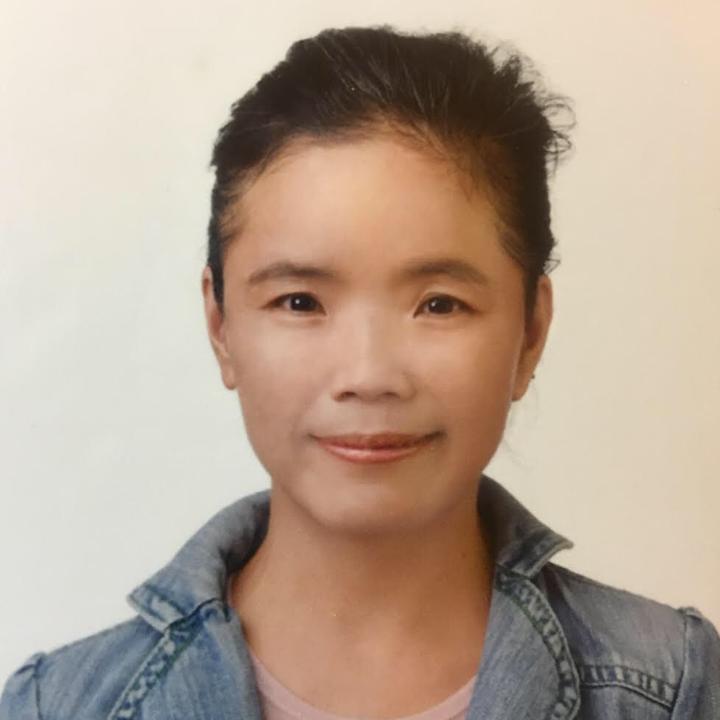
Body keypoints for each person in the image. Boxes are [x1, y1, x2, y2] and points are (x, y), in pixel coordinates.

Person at [1, 23, 718, 720]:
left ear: (531, 331)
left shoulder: (672, 688)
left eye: (439, 304)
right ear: (221, 325)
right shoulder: (54, 706)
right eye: (300, 302)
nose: (370, 375)